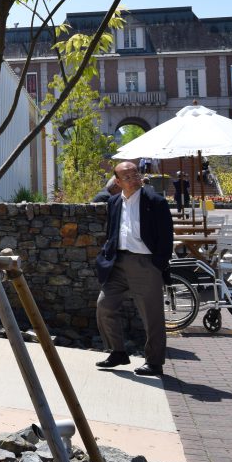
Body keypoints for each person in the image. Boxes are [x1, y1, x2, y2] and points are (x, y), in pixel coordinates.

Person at [94, 161, 175, 377]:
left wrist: (157, 264)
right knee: (104, 306)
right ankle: (118, 351)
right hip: (117, 263)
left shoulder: (155, 202)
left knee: (151, 316)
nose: (134, 179)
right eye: (127, 176)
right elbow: (112, 232)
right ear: (118, 182)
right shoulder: (113, 202)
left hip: (145, 264)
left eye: (135, 174)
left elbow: (167, 238)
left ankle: (154, 362)